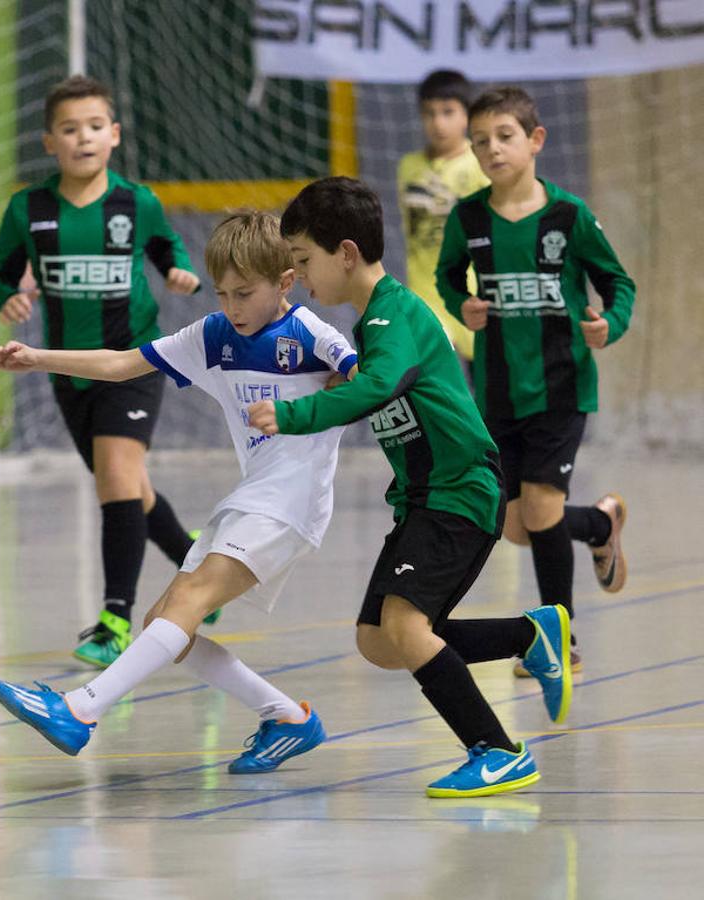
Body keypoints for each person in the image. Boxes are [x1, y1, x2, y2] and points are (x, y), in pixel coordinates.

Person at [0, 210, 359, 773]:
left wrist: (328, 394)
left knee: (184, 606)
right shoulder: (213, 335)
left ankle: (79, 710)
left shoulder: (311, 334)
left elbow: (375, 378)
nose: (231, 306)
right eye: (222, 292)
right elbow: (120, 363)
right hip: (252, 497)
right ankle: (287, 718)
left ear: (284, 283)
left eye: (245, 293)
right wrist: (38, 359)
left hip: (292, 503)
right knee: (164, 623)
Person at [247, 176, 572, 798]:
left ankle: (498, 750)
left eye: (304, 261)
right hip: (425, 499)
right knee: (378, 641)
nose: (302, 277)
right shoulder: (375, 321)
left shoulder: (395, 315)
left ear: (345, 253)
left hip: (460, 491)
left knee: (404, 626)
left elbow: (378, 385)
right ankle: (529, 636)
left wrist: (294, 416)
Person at [0, 75, 202, 668]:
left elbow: (166, 248)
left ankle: (114, 619)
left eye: (95, 126)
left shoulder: (137, 202)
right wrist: (8, 297)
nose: (84, 137)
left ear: (115, 134)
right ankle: (197, 566)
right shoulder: (29, 209)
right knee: (126, 484)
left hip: (134, 360)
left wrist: (178, 272)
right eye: (69, 128)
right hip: (69, 369)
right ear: (49, 142)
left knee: (115, 474)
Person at [435, 87, 635, 675]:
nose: (492, 149)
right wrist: (462, 304)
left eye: (504, 136)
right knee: (520, 527)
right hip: (496, 394)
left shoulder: (569, 217)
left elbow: (618, 284)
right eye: (480, 142)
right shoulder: (468, 217)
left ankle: (558, 643)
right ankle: (600, 524)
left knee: (543, 510)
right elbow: (449, 278)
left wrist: (610, 324)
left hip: (561, 387)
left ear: (535, 140)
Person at [397, 69, 488, 362]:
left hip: (474, 293)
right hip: (426, 296)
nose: (438, 122)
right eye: (429, 113)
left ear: (467, 115)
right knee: (433, 391)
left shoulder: (480, 164)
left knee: (488, 392)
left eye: (448, 112)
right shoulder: (408, 167)